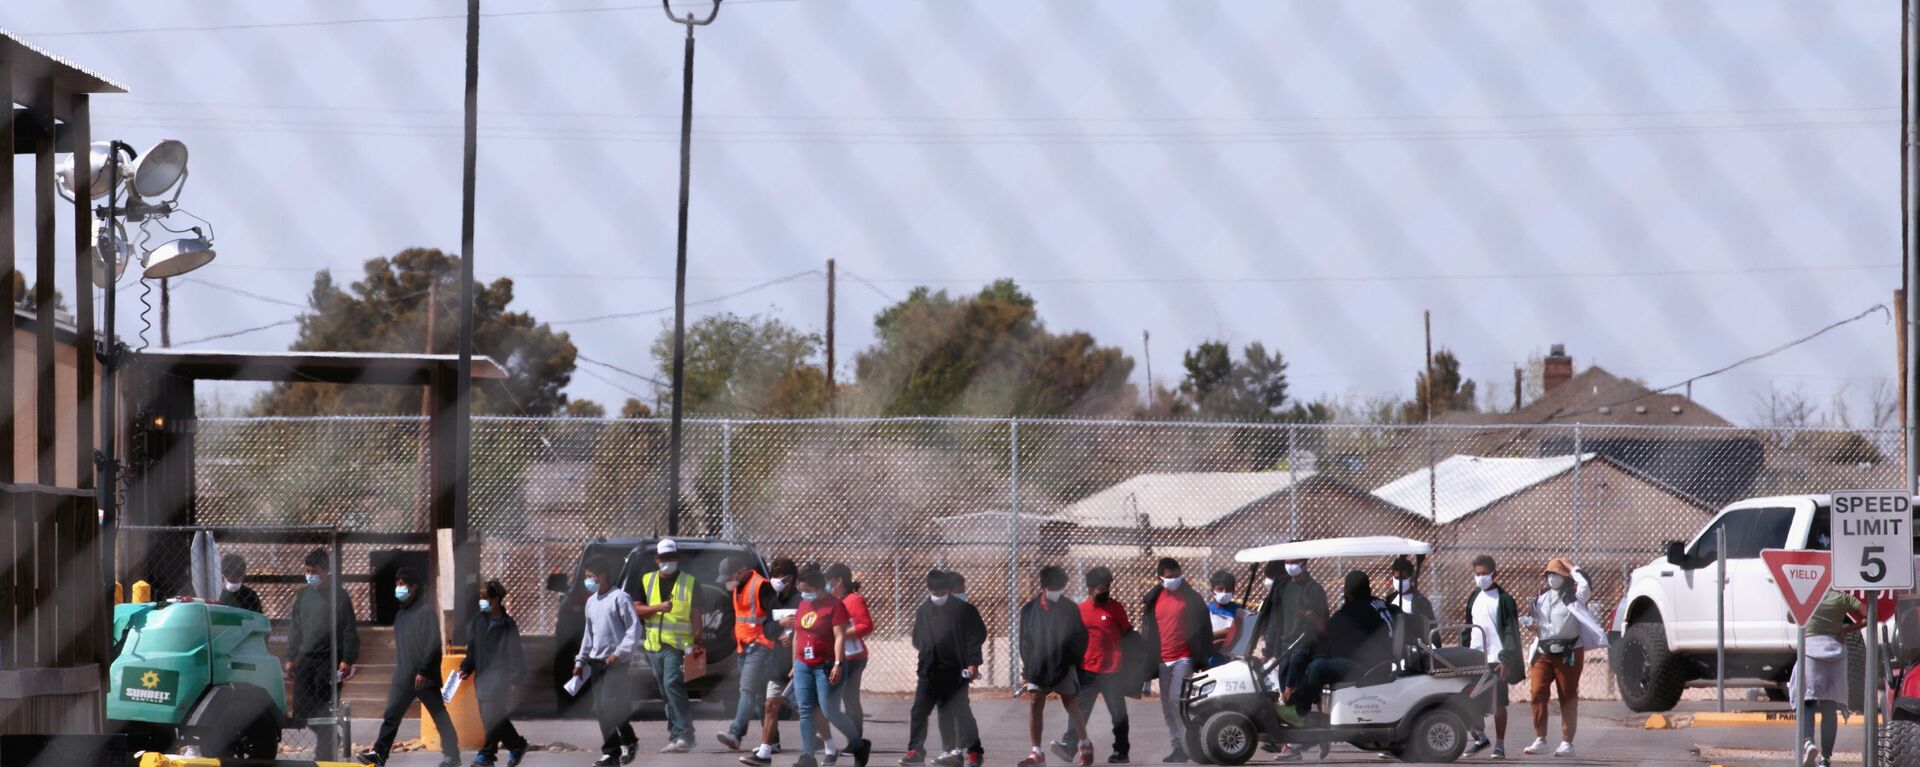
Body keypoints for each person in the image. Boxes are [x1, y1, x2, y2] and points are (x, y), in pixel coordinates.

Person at [363, 568, 460, 767]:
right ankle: (380, 753)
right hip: (403, 675)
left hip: (424, 676)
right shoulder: (400, 615)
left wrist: (423, 671)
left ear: (414, 587)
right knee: (391, 715)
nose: (399, 588)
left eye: (403, 584)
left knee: (439, 716)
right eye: (397, 584)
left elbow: (433, 645)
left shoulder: (425, 613)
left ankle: (452, 756)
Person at [789, 565, 872, 767]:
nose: (804, 595)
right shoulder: (803, 605)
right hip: (803, 664)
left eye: (808, 590)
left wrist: (837, 663)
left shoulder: (835, 606)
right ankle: (807, 755)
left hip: (825, 665)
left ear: (819, 587)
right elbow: (797, 636)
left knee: (829, 710)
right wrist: (794, 665)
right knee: (806, 709)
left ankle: (858, 744)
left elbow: (839, 636)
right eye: (801, 591)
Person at [283, 548, 359, 761]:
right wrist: (289, 657)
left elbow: (349, 630)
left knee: (325, 711)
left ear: (326, 571)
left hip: (330, 659)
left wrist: (347, 660)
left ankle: (323, 759)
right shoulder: (303, 595)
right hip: (307, 658)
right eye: (307, 571)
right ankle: (331, 738)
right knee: (301, 710)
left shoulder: (339, 596)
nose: (309, 576)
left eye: (313, 571)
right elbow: (296, 628)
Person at [1052, 566, 1132, 765]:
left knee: (1118, 713)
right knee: (1079, 711)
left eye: (1107, 587)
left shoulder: (1116, 608)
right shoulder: (1080, 610)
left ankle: (1121, 751)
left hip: (1113, 670)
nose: (1105, 591)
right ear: (1090, 588)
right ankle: (1069, 747)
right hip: (1087, 669)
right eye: (1101, 588)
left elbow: (1127, 634)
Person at [1017, 566, 1092, 767]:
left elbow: (1080, 637)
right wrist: (1027, 667)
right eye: (1053, 587)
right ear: (1043, 586)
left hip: (1063, 663)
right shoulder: (1029, 610)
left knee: (1070, 702)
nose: (1056, 590)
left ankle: (1084, 743)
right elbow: (1025, 640)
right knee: (1035, 702)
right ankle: (1036, 752)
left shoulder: (1069, 608)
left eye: (1060, 587)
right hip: (1038, 665)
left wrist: (1072, 661)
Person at [1139, 558, 1210, 763]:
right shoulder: (1153, 600)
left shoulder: (1191, 598)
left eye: (1177, 576)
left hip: (1184, 656)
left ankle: (1191, 740)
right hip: (1162, 659)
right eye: (1170, 577)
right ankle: (1177, 745)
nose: (1174, 580)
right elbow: (1148, 631)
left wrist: (1203, 657)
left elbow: (1204, 628)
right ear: (1160, 578)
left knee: (1176, 699)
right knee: (1167, 705)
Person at [901, 570, 976, 767]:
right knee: (919, 710)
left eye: (943, 592)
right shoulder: (924, 610)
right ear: (929, 590)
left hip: (953, 671)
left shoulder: (961, 610)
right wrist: (928, 650)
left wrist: (970, 661)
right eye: (936, 592)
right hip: (929, 671)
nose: (939, 596)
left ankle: (955, 751)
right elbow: (917, 638)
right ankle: (916, 751)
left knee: (951, 710)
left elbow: (975, 636)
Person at [634, 538, 702, 753]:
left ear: (677, 558)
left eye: (671, 557)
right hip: (654, 645)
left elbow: (697, 616)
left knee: (673, 684)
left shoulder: (690, 582)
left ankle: (685, 735)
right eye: (664, 558)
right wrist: (657, 608)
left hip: (679, 646)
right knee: (666, 690)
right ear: (656, 559)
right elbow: (636, 609)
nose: (668, 562)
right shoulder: (646, 580)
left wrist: (697, 642)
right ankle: (675, 735)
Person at [574, 557, 640, 767]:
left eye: (591, 576)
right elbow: (589, 634)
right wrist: (580, 660)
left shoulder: (620, 598)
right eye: (587, 577)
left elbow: (634, 629)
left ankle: (619, 746)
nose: (588, 581)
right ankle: (618, 748)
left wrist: (619, 653)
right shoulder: (591, 601)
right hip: (596, 662)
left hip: (615, 662)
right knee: (603, 708)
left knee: (609, 705)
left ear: (602, 575)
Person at [1794, 589, 1866, 767]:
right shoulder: (1842, 598)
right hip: (1835, 653)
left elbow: (1791, 616)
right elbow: (1869, 614)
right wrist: (1846, 629)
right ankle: (1825, 759)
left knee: (1807, 701)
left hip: (1810, 652)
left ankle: (1808, 743)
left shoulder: (1807, 594)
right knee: (1829, 706)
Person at [742, 558, 804, 767]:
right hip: (778, 665)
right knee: (770, 706)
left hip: (802, 665)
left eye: (780, 576)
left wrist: (794, 633)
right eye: (774, 575)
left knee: (810, 711)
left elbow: (813, 627)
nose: (775, 580)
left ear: (791, 578)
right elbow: (767, 631)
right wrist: (781, 624)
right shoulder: (774, 602)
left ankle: (826, 747)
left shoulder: (802, 601)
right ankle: (766, 752)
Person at [1461, 555, 1523, 760]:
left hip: (1497, 659)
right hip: (1475, 658)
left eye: (1484, 574)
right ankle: (1479, 737)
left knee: (1498, 704)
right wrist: (1463, 653)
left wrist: (1507, 659)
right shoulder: (1474, 596)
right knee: (1465, 699)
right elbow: (1468, 628)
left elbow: (1510, 632)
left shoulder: (1504, 599)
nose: (1480, 578)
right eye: (1477, 574)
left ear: (1494, 574)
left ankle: (1500, 745)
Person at [462, 580, 530, 767]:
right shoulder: (478, 622)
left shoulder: (508, 625)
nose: (482, 602)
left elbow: (516, 652)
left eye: (485, 598)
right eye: (480, 598)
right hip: (482, 675)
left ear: (496, 599)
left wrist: (516, 678)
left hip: (500, 676)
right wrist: (466, 667)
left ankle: (486, 755)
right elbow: (472, 649)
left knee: (492, 715)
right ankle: (517, 745)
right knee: (490, 716)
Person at [1268, 559, 1328, 760]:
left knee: (1294, 695)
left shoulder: (1314, 589)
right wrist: (1270, 647)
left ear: (1304, 563)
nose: (1290, 565)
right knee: (1286, 699)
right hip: (1285, 648)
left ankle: (1294, 745)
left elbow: (1321, 624)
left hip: (1304, 647)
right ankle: (1305, 738)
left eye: (1294, 561)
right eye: (1287, 561)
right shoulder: (1282, 587)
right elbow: (1274, 619)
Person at [1523, 560, 1583, 758]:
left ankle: (1567, 742)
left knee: (1567, 696)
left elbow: (1585, 582)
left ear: (1565, 577)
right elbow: (1535, 620)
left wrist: (1568, 565)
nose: (1551, 578)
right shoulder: (1541, 597)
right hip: (1543, 651)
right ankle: (1540, 738)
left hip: (1567, 652)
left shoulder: (1576, 596)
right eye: (1548, 574)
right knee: (1537, 692)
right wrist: (1530, 624)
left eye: (1556, 574)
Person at [722, 559, 778, 753]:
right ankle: (772, 741)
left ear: (742, 569)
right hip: (743, 647)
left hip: (760, 646)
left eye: (729, 577)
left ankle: (735, 733)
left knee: (746, 690)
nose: (727, 582)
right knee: (758, 695)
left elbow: (774, 615)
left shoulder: (761, 586)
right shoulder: (739, 586)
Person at [936, 572, 988, 767]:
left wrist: (971, 661)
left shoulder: (967, 611)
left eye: (963, 591)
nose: (962, 594)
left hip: (961, 667)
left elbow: (978, 635)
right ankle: (951, 749)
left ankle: (969, 751)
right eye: (959, 591)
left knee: (959, 707)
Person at [826, 563, 874, 744]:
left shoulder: (854, 600)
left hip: (853, 658)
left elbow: (866, 625)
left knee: (850, 699)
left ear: (839, 581)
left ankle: (855, 740)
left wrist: (841, 634)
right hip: (837, 657)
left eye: (830, 581)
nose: (828, 585)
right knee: (828, 700)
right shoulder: (832, 601)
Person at [1204, 571, 1246, 666]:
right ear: (1212, 591)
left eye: (1228, 590)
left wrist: (1214, 636)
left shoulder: (1239, 611)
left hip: (1231, 662)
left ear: (1233, 591)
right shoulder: (1207, 610)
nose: (1224, 593)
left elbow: (1237, 633)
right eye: (1220, 589)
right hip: (1209, 661)